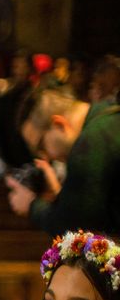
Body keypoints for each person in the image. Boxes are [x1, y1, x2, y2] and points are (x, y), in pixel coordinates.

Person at [6, 87, 120, 237]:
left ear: (59, 125)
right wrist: (64, 195)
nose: (45, 157)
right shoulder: (109, 113)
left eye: (41, 146)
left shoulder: (91, 141)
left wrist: (32, 205)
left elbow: (77, 231)